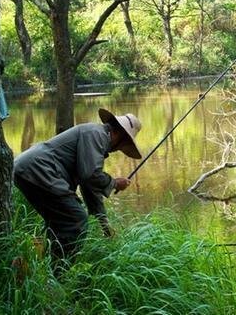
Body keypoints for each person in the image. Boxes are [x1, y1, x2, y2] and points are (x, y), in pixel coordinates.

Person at [13, 108, 142, 273]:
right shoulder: (97, 135)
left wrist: (105, 225)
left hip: (29, 169)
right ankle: (58, 275)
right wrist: (114, 183)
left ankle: (29, 265)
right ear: (120, 135)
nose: (119, 149)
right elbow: (90, 175)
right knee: (76, 219)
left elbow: (89, 187)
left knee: (59, 222)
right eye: (124, 144)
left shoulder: (96, 139)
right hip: (40, 169)